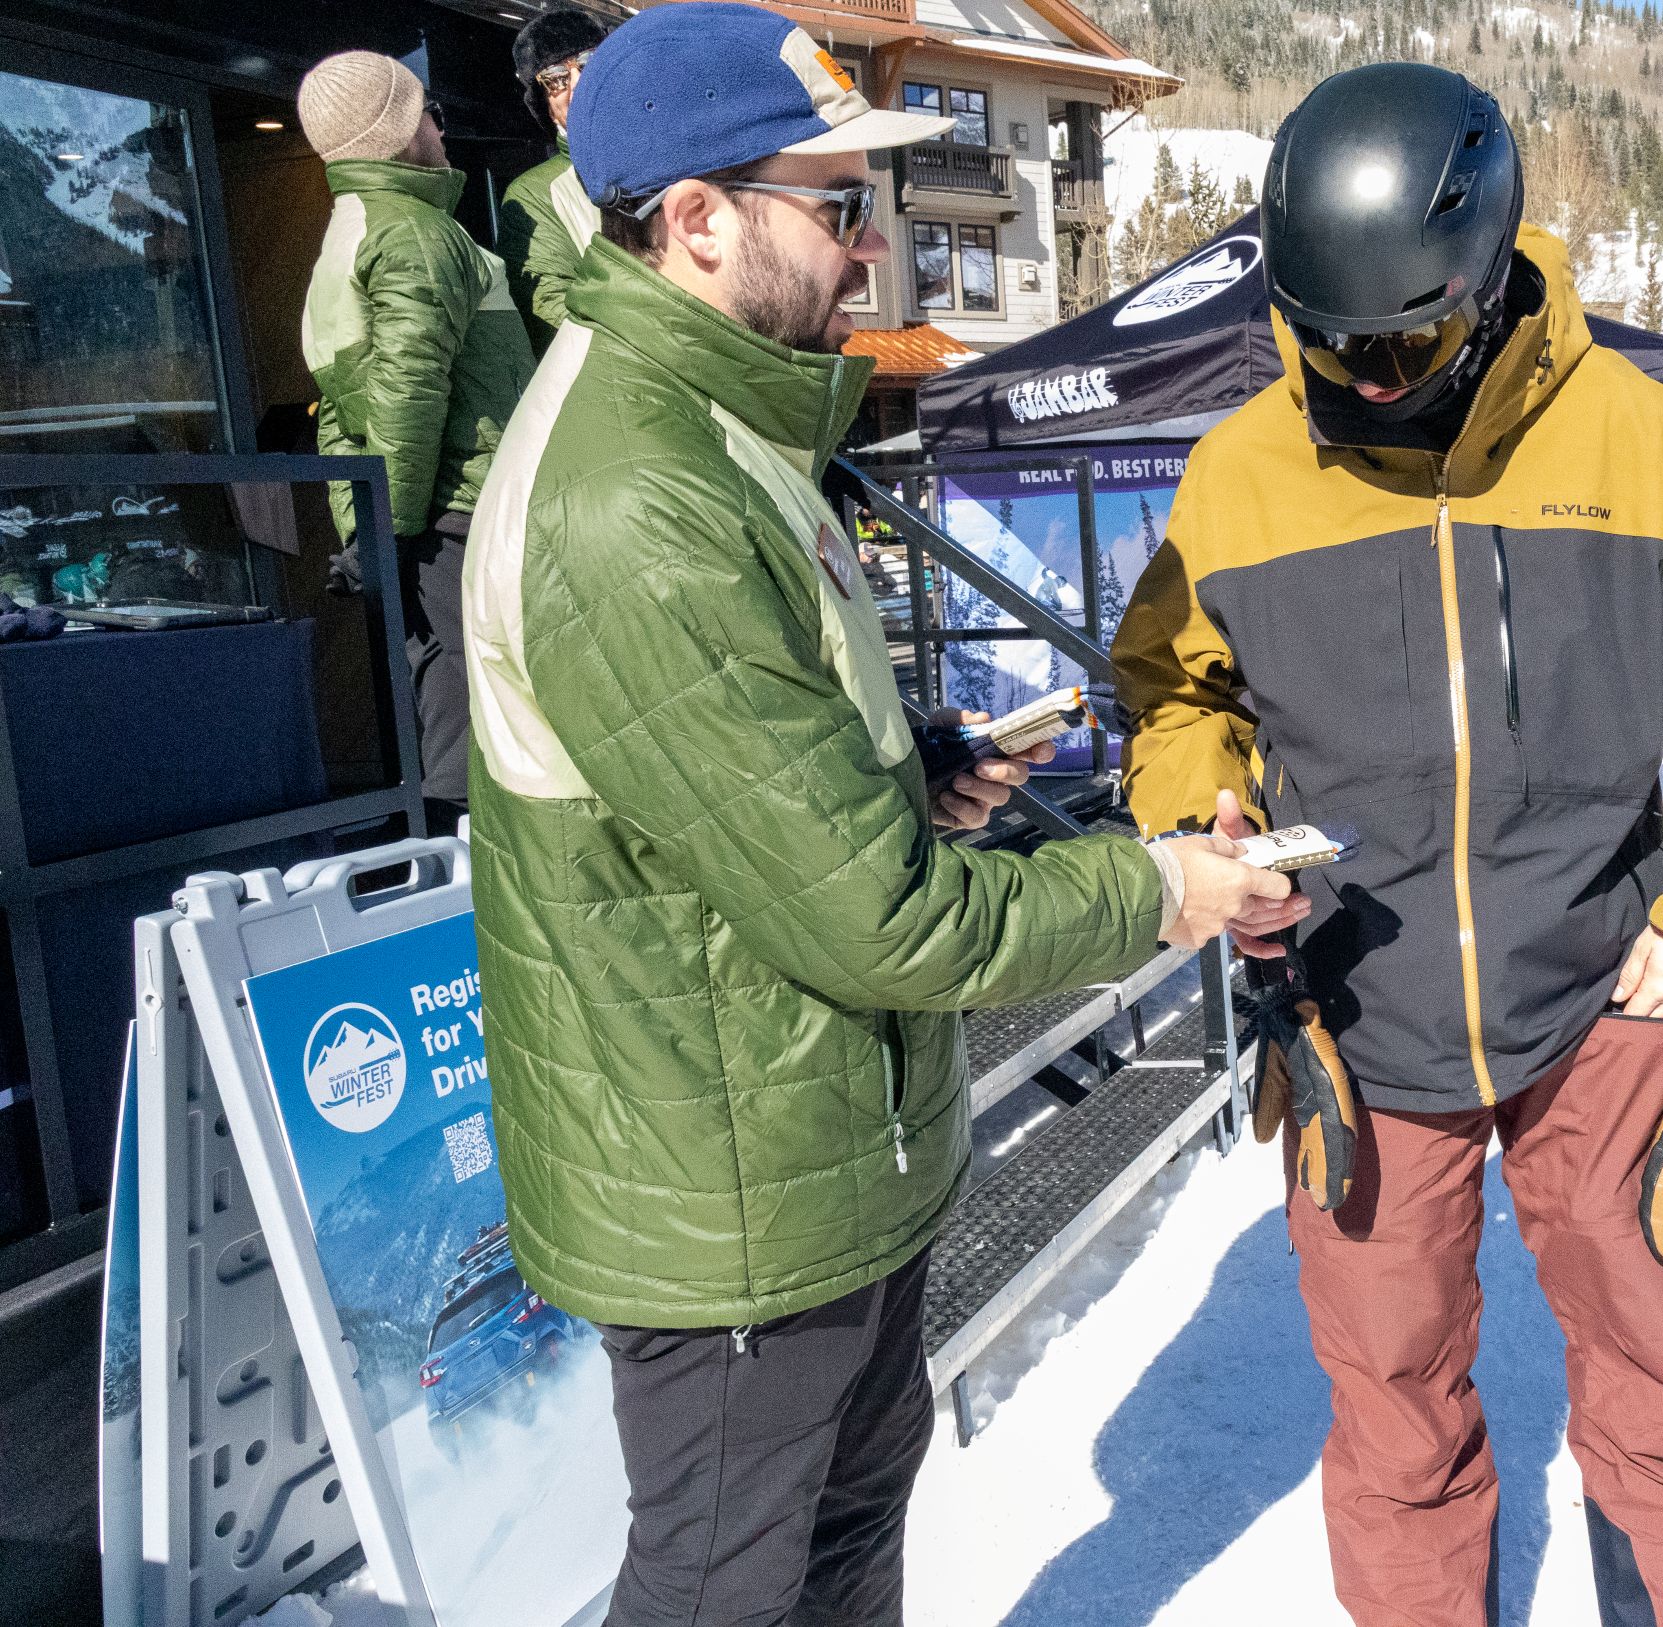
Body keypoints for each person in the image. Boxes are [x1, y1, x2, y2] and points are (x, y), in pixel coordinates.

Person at [461, 9, 1299, 1624]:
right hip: (734, 1219)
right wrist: (1159, 890)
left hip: (809, 1156)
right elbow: (884, 918)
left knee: (844, 1549)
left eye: (878, 211)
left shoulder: (726, 430)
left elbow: (726, 782)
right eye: (837, 208)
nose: (871, 253)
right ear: (696, 219)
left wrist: (903, 768)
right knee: (723, 1587)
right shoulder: (637, 498)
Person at [1114, 64, 1663, 1627]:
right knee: (1394, 1412)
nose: (1369, 381)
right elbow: (1172, 688)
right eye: (1331, 343)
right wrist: (1199, 812)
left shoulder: (1638, 439)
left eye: (1410, 342)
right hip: (1359, 1014)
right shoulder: (1239, 475)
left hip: (1604, 997)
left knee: (1657, 1399)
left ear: (1491, 277)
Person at [297, 50, 536, 825]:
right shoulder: (418, 236)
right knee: (474, 718)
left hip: (419, 523)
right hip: (463, 516)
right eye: (429, 111)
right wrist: (386, 537)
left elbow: (340, 413)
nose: (440, 125)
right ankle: (469, 891)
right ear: (401, 135)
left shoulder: (345, 233)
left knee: (444, 706)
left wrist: (365, 532)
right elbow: (408, 395)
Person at [499, 5, 611, 354]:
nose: (577, 83)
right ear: (543, 102)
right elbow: (553, 311)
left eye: (590, 62)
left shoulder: (680, 147)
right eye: (556, 77)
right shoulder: (533, 194)